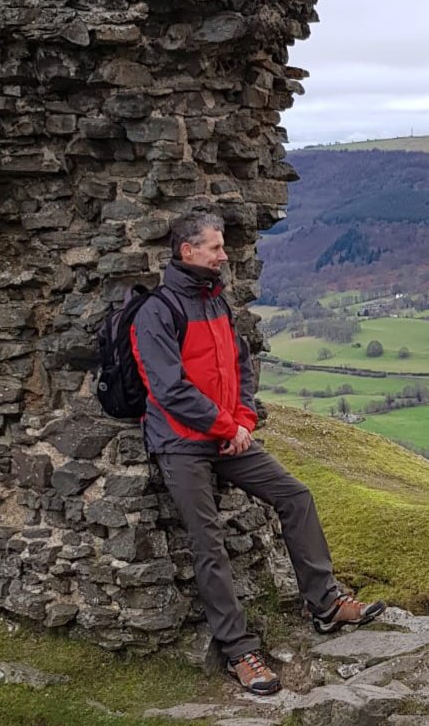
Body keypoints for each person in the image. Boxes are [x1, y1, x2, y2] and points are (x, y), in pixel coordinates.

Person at [131, 209, 385, 695]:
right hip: (181, 444)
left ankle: (325, 604)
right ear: (188, 251)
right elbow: (169, 389)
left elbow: (241, 365)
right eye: (215, 247)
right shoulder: (157, 312)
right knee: (207, 541)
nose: (224, 255)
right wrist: (227, 426)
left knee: (296, 496)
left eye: (223, 246)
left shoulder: (216, 302)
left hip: (229, 437)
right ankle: (239, 652)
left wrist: (244, 420)